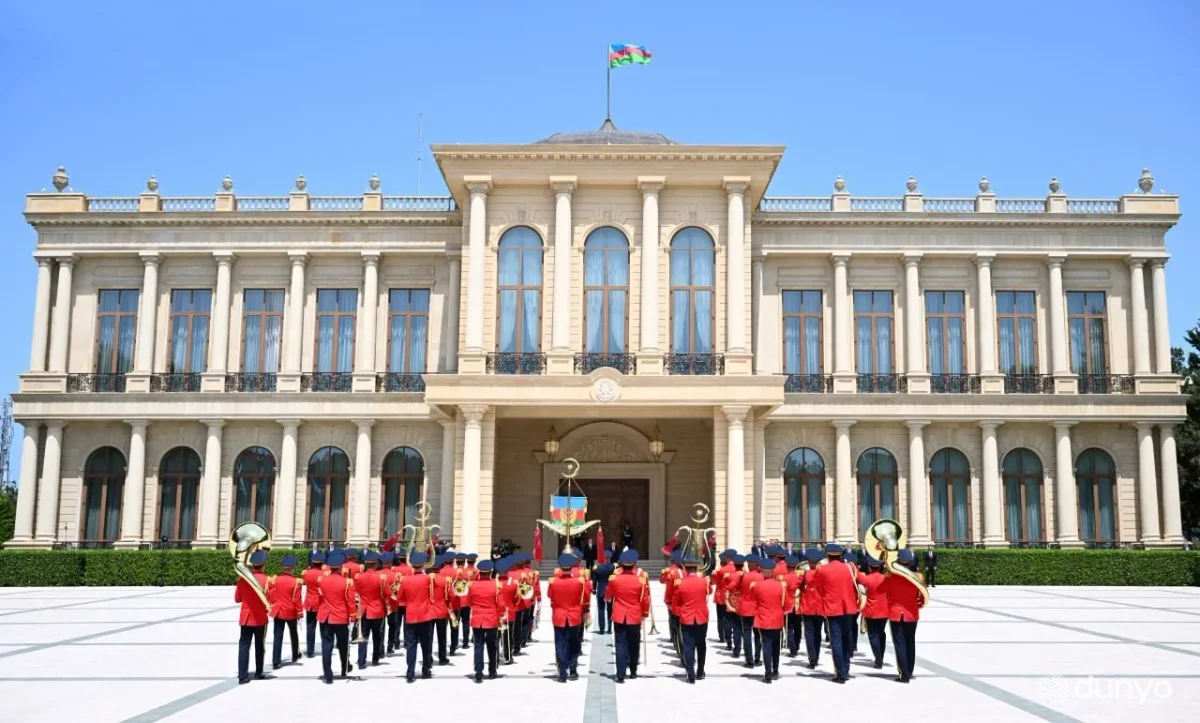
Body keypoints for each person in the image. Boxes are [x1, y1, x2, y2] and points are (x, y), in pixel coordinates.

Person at [813, 543, 860, 684]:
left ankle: (840, 673)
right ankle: (846, 668)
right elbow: (863, 581)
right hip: (849, 608)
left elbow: (813, 585)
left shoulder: (823, 569)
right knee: (846, 638)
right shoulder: (850, 568)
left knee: (836, 641)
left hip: (832, 608)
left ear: (827, 556)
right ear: (840, 556)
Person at [605, 549, 649, 682]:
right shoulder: (640, 580)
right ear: (634, 564)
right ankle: (633, 670)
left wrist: (608, 598)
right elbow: (645, 599)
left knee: (620, 645)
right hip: (634, 616)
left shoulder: (615, 579)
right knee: (634, 644)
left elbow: (608, 596)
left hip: (619, 615)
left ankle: (620, 674)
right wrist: (644, 613)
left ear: (621, 564)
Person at [881, 549, 924, 683]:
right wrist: (918, 605)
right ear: (910, 562)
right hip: (912, 614)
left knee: (899, 644)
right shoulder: (918, 576)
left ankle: (904, 674)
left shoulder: (890, 577)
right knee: (910, 642)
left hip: (895, 614)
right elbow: (923, 596)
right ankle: (909, 671)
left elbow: (882, 591)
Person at [316, 549, 356, 684]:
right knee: (343, 645)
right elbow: (350, 601)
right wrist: (353, 616)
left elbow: (320, 598)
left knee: (326, 646)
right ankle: (345, 668)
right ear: (340, 567)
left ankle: (328, 674)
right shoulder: (347, 582)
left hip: (325, 616)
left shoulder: (321, 580)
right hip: (340, 617)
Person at [548, 552, 587, 682]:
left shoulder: (553, 581)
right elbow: (584, 597)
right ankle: (573, 669)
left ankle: (562, 673)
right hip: (574, 615)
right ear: (572, 566)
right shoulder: (579, 581)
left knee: (560, 644)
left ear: (560, 566)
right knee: (574, 642)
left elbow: (550, 595)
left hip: (559, 615)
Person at [235, 549, 272, 685]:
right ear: (264, 565)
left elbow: (237, 598)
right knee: (259, 645)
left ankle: (242, 675)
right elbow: (270, 599)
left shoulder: (243, 579)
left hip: (246, 617)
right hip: (260, 618)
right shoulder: (267, 580)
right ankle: (259, 672)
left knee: (244, 645)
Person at [397, 551, 434, 682]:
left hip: (411, 614)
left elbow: (400, 598)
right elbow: (432, 596)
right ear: (422, 565)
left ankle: (410, 671)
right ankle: (426, 668)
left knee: (411, 644)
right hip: (425, 614)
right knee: (426, 643)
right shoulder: (427, 579)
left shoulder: (405, 579)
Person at [673, 554, 710, 684]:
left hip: (687, 617)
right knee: (701, 645)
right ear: (696, 568)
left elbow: (675, 603)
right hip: (701, 616)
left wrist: (680, 613)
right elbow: (709, 591)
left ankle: (691, 674)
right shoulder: (704, 581)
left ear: (685, 568)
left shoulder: (680, 583)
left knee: (688, 646)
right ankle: (700, 671)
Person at [750, 559, 786, 683]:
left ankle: (768, 674)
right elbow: (785, 604)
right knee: (776, 646)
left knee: (766, 646)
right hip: (777, 619)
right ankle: (775, 670)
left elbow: (754, 602)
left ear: (761, 571)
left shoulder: (757, 586)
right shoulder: (780, 585)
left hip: (763, 619)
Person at [467, 559, 501, 683]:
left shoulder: (473, 585)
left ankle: (478, 672)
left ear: (480, 572)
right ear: (490, 572)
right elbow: (500, 603)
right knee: (492, 646)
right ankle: (492, 670)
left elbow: (469, 602)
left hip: (477, 618)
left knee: (478, 646)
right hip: (491, 618)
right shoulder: (495, 585)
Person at [268, 554, 302, 669]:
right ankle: (295, 654)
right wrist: (300, 613)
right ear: (292, 568)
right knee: (294, 633)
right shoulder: (296, 582)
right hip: (290, 611)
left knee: (278, 636)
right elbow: (297, 599)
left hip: (278, 610)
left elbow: (271, 594)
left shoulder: (275, 579)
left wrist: (274, 604)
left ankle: (276, 660)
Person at [355, 551, 386, 669]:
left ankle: (361, 660)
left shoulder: (359, 577)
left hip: (364, 610)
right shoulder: (381, 578)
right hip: (377, 610)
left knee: (363, 636)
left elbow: (356, 592)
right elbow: (387, 594)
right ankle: (375, 658)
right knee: (377, 636)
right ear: (376, 564)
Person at [860, 555, 889, 669]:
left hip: (871, 610)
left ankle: (878, 658)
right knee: (881, 633)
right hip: (884, 610)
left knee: (873, 635)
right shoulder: (886, 578)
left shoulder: (866, 579)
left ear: (869, 566)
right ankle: (881, 656)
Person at [738, 555, 764, 668]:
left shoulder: (744, 576)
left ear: (749, 565)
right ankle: (757, 658)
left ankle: (749, 660)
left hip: (745, 608)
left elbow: (735, 587)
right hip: (757, 608)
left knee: (747, 634)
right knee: (758, 634)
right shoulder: (761, 577)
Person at [801, 549, 823, 669]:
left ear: (809, 562)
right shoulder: (822, 574)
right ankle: (816, 657)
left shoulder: (805, 574)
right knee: (817, 633)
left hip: (808, 607)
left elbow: (796, 585)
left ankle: (812, 659)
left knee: (809, 633)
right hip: (819, 607)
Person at [301, 551, 325, 658]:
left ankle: (310, 650)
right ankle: (325, 648)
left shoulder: (306, 573)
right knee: (324, 628)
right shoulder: (324, 574)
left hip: (310, 602)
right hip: (321, 602)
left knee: (310, 628)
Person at [724, 554, 746, 657]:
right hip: (745, 603)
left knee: (736, 628)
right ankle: (747, 650)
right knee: (746, 629)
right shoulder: (747, 575)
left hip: (733, 603)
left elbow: (725, 587)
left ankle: (736, 650)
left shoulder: (729, 575)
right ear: (743, 565)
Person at [782, 555, 803, 657]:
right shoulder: (799, 577)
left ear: (787, 566)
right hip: (798, 605)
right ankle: (797, 646)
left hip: (788, 605)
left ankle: (792, 649)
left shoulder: (783, 578)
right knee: (798, 627)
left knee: (789, 627)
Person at [591, 561, 614, 633]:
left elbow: (595, 581)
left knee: (601, 609)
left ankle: (601, 629)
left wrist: (594, 589)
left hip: (601, 590)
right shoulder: (612, 567)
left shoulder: (597, 568)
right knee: (610, 609)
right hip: (610, 590)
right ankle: (609, 628)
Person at [461, 553, 479, 647]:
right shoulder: (476, 572)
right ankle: (473, 637)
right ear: (474, 561)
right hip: (474, 597)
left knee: (465, 621)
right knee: (473, 618)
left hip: (463, 597)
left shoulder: (462, 571)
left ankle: (465, 641)